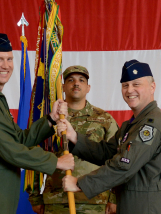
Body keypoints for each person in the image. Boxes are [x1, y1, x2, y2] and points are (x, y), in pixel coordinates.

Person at [0, 33, 74, 214]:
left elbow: (18, 139)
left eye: (9, 59)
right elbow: (10, 149)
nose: (6, 65)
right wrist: (56, 162)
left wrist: (50, 119)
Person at [58, 60, 161, 214]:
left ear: (152, 87)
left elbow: (125, 164)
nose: (129, 90)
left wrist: (80, 184)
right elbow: (107, 153)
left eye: (136, 84)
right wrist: (74, 137)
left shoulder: (152, 124)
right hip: (132, 205)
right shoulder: (131, 125)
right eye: (125, 85)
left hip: (149, 207)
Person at [28, 66, 119, 214]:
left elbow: (116, 159)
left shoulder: (105, 119)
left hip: (94, 201)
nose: (76, 83)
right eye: (70, 80)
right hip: (56, 200)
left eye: (81, 80)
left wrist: (114, 197)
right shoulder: (51, 119)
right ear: (63, 86)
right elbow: (35, 154)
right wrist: (35, 197)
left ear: (88, 87)